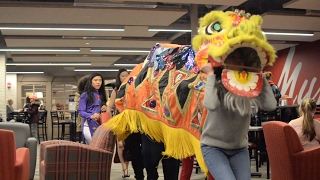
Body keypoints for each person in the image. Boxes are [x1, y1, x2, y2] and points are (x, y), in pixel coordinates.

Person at [200, 60, 277, 180]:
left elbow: (271, 105)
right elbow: (211, 105)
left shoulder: (248, 88)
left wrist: (260, 76)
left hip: (239, 148)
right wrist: (210, 74)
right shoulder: (220, 84)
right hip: (214, 147)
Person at [107, 68, 145, 179]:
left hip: (138, 122)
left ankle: (140, 170)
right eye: (122, 76)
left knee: (141, 149)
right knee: (128, 147)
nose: (124, 77)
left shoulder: (136, 87)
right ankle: (134, 172)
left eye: (126, 75)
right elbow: (110, 107)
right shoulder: (117, 90)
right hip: (124, 123)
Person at [79, 72, 107, 144]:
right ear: (90, 81)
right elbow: (81, 111)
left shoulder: (101, 94)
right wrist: (91, 116)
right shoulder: (85, 95)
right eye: (95, 80)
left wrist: (104, 108)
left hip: (99, 124)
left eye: (100, 80)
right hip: (88, 124)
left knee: (100, 146)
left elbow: (102, 109)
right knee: (92, 145)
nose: (98, 82)